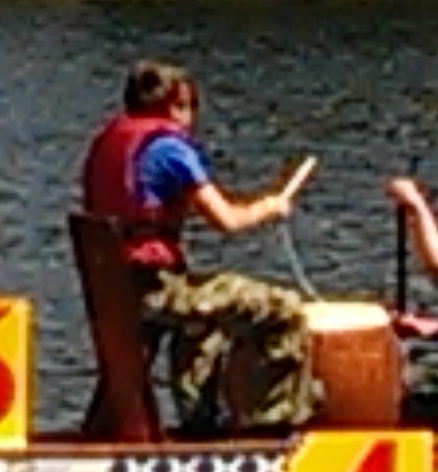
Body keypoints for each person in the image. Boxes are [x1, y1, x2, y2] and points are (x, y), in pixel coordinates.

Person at [78, 60, 320, 433]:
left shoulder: (107, 143)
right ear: (174, 105)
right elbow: (227, 220)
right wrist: (270, 206)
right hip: (156, 289)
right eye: (188, 106)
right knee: (282, 309)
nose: (190, 118)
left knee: (206, 313)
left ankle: (200, 423)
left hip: (116, 290)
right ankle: (271, 426)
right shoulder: (170, 151)